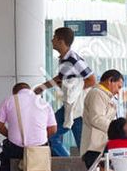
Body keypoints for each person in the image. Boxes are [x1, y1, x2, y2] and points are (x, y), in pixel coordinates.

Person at [35, 26, 96, 157]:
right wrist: (42, 87)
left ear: (61, 41)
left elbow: (91, 79)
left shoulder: (73, 59)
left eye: (54, 38)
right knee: (78, 144)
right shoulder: (64, 59)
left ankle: (69, 164)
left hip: (77, 107)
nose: (51, 40)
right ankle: (77, 168)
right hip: (71, 107)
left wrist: (76, 92)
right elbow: (60, 78)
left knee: (52, 135)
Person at [0, 83, 57, 171]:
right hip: (39, 148)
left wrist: (10, 135)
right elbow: (53, 129)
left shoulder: (9, 100)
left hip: (15, 148)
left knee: (4, 160)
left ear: (14, 92)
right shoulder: (44, 103)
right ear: (30, 90)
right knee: (48, 155)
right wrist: (41, 138)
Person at [80, 69, 122, 170]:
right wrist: (116, 128)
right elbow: (96, 118)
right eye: (118, 86)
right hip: (95, 148)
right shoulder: (97, 93)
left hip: (100, 147)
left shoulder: (104, 95)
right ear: (110, 80)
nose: (118, 91)